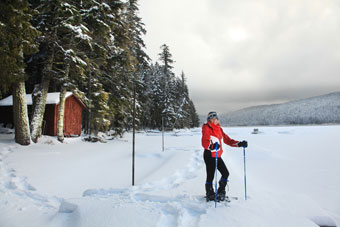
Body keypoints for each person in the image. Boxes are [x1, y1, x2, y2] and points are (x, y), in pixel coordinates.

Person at [202, 111, 248, 201]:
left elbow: (228, 140)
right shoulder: (206, 128)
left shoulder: (219, 129)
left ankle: (221, 191)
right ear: (209, 119)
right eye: (212, 118)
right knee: (210, 175)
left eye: (215, 118)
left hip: (217, 155)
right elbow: (204, 141)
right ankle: (209, 193)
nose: (214, 119)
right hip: (209, 154)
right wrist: (211, 146)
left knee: (225, 173)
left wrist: (239, 144)